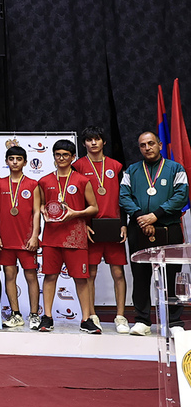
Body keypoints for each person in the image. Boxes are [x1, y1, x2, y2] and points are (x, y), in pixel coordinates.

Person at [119, 130, 188, 335]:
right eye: (143, 145)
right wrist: (142, 217)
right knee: (140, 276)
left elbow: (181, 196)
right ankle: (142, 321)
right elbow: (124, 197)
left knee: (172, 275)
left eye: (151, 143)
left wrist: (155, 216)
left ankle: (174, 322)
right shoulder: (131, 171)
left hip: (169, 228)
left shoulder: (176, 168)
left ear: (159, 145)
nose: (147, 148)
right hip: (139, 229)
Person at [36, 140, 99, 333]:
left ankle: (86, 319)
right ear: (53, 156)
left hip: (75, 237)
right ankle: (47, 317)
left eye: (65, 155)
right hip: (51, 237)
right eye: (58, 154)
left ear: (73, 157)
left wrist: (76, 213)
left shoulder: (82, 180)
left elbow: (94, 208)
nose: (61, 158)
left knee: (81, 278)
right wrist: (43, 210)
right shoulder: (44, 181)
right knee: (50, 276)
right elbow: (41, 203)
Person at [73, 126, 128, 333]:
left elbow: (124, 197)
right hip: (91, 228)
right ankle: (92, 315)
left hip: (113, 226)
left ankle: (120, 316)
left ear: (104, 142)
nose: (93, 143)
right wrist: (83, 224)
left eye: (97, 139)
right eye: (89, 140)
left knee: (118, 272)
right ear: (84, 143)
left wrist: (124, 223)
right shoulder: (78, 166)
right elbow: (75, 198)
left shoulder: (116, 166)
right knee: (90, 273)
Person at [0, 146, 42, 329]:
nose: (14, 162)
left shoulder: (33, 184)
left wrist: (35, 235)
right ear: (6, 161)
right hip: (6, 239)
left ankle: (34, 315)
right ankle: (16, 314)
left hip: (27, 239)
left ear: (25, 162)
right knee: (9, 275)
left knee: (31, 276)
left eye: (18, 159)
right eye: (11, 158)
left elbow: (36, 212)